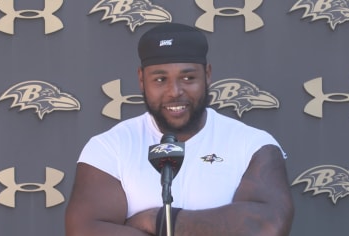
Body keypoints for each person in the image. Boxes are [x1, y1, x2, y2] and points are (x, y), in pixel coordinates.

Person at [65, 22, 294, 236]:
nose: (175, 91)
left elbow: (267, 225)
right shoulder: (109, 148)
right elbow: (84, 230)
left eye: (188, 77)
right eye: (160, 80)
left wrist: (157, 220)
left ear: (207, 75)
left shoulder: (253, 145)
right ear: (142, 80)